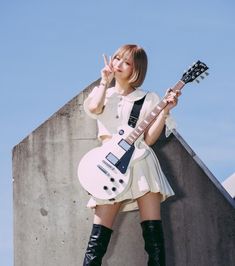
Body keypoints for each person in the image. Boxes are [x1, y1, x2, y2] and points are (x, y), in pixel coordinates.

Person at [81, 44, 180, 266]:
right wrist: (104, 81)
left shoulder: (149, 98)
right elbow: (95, 109)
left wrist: (165, 110)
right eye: (117, 58)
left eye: (126, 62)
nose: (118, 64)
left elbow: (150, 139)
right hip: (108, 166)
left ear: (137, 70)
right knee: (96, 242)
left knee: (154, 239)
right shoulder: (102, 93)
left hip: (142, 164)